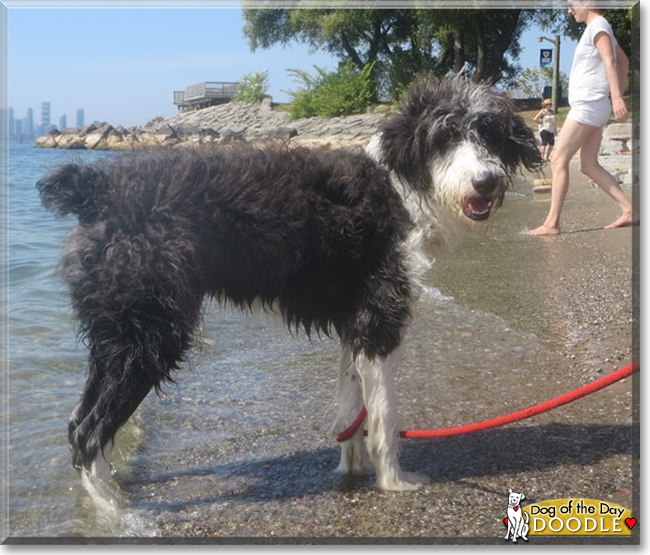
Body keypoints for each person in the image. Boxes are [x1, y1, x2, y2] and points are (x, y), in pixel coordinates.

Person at [527, 1, 637, 236]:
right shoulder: (600, 26)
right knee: (587, 164)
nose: (569, 10)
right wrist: (610, 96)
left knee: (557, 159)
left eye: (572, 4)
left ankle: (552, 224)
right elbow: (624, 60)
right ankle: (629, 210)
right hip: (593, 104)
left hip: (588, 104)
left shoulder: (597, 24)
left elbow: (612, 61)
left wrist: (617, 97)